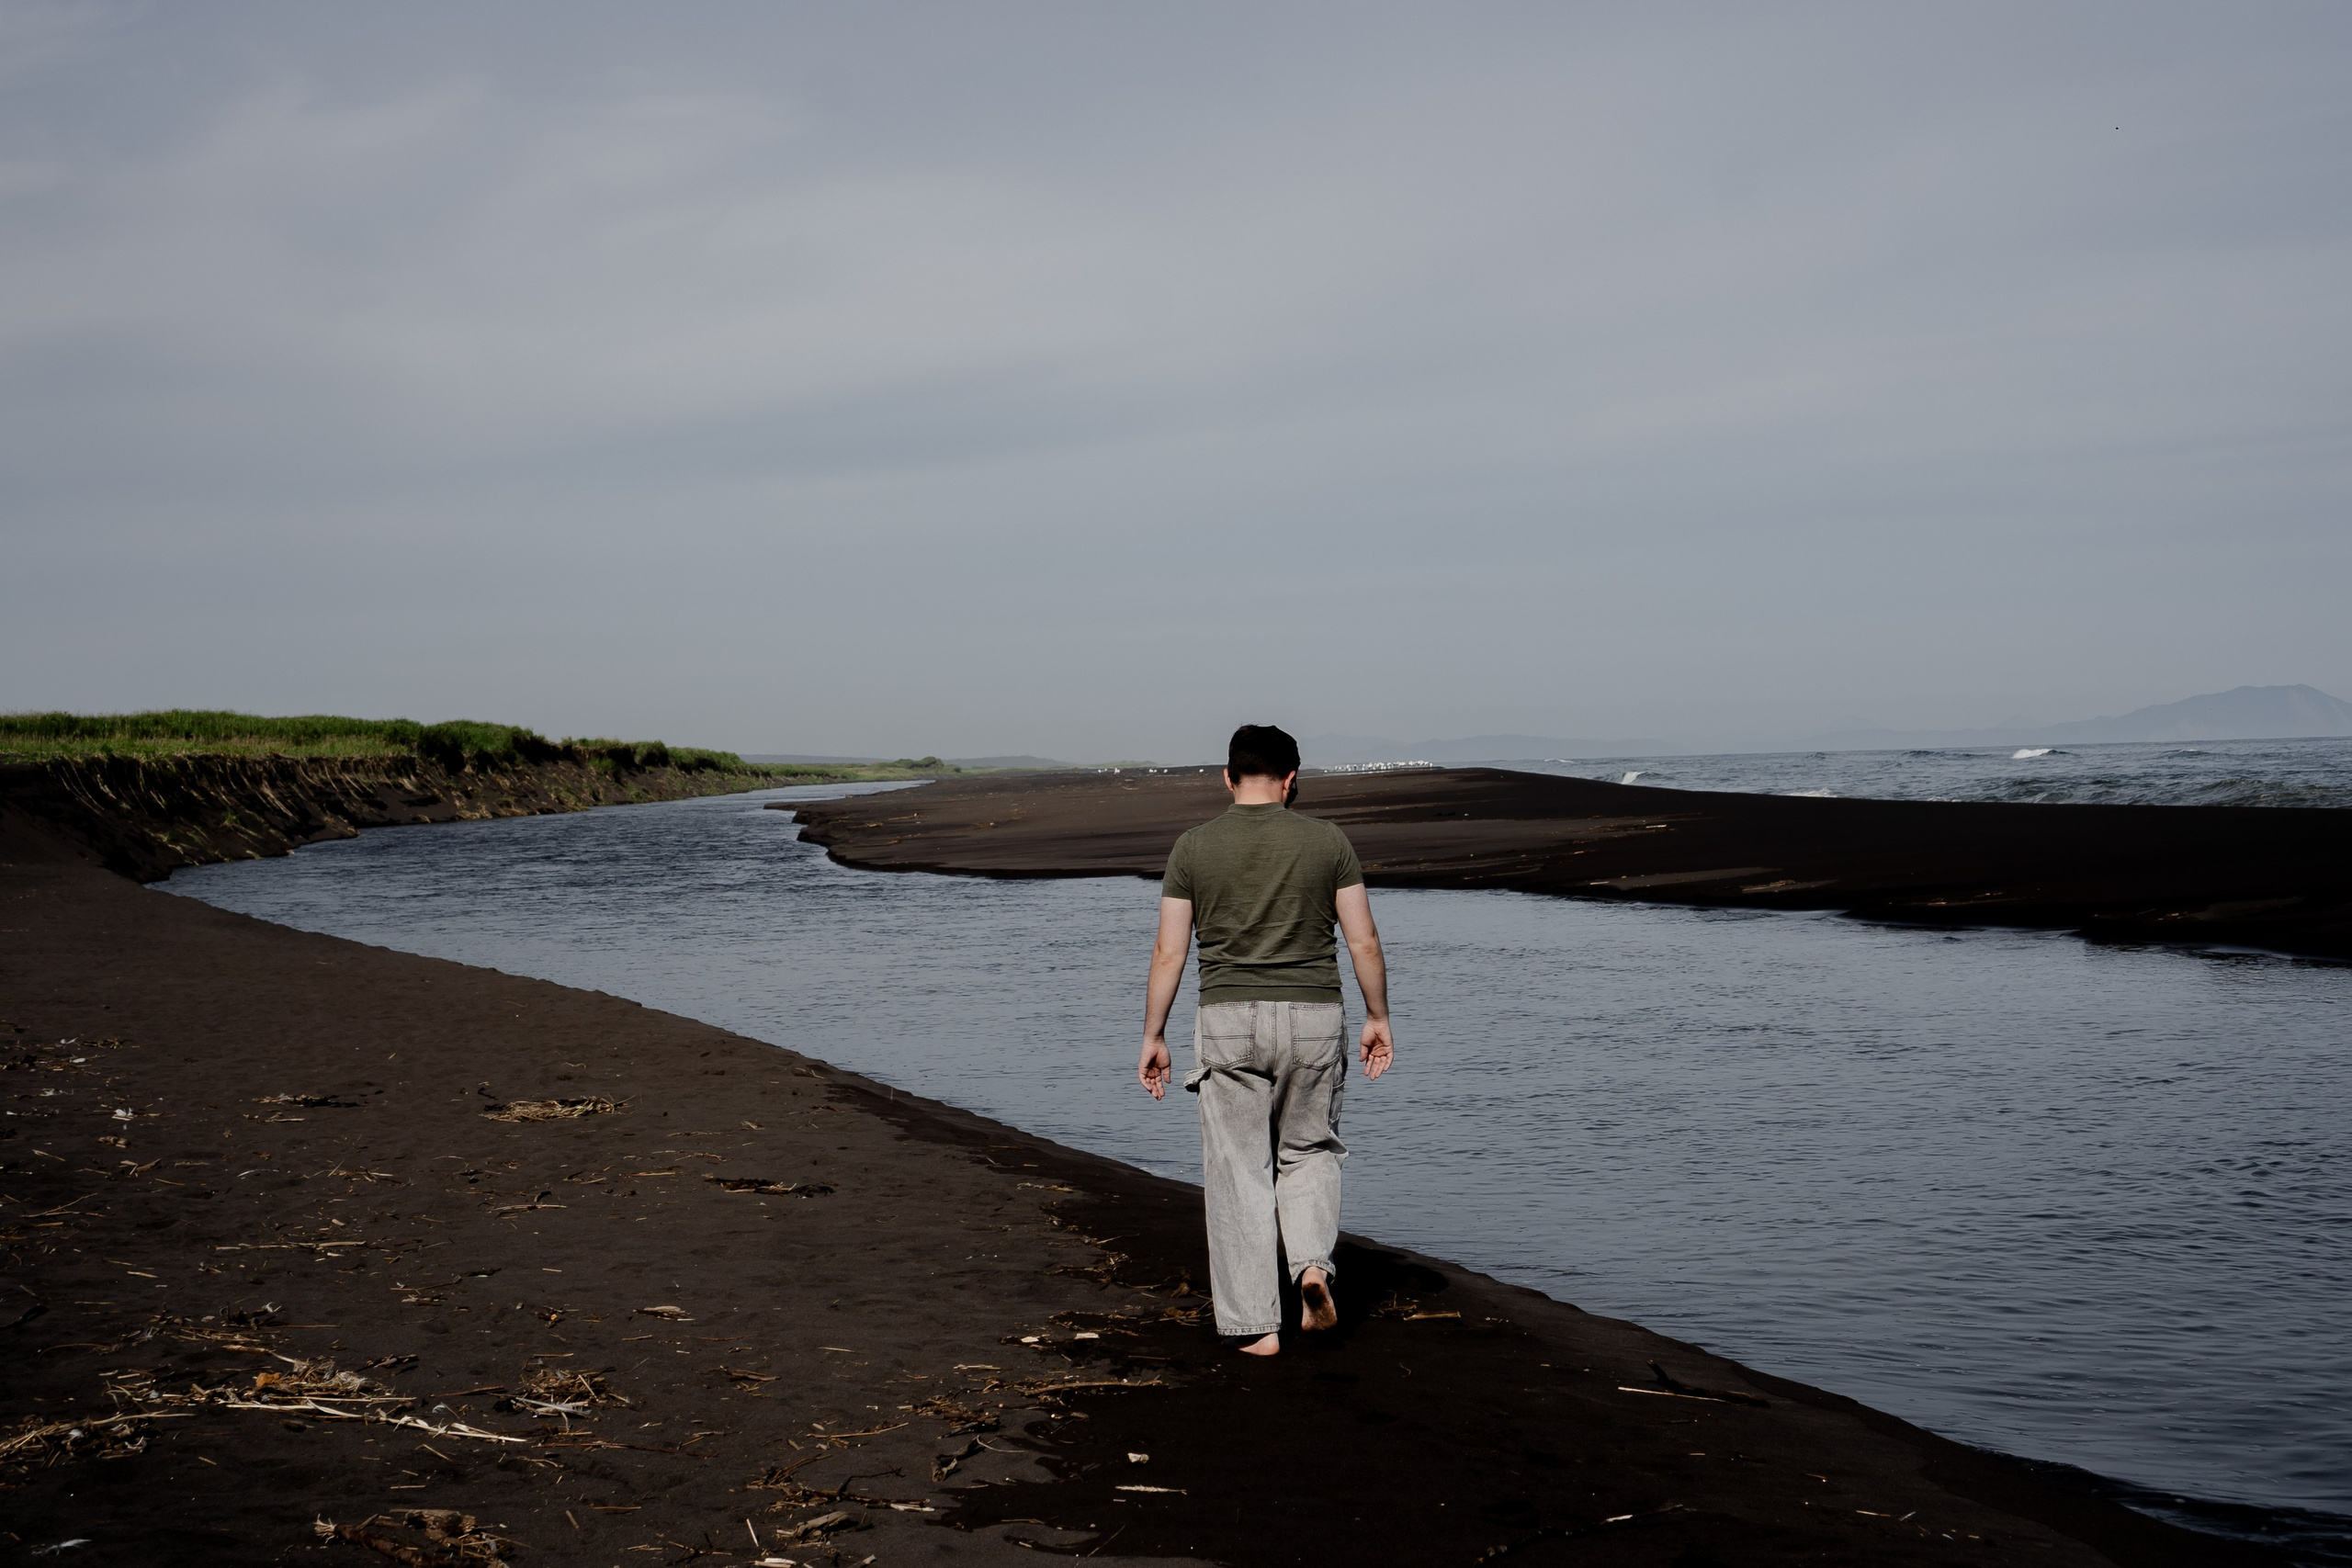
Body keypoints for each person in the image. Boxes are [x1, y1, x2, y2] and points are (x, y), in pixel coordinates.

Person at [1136, 723, 1394, 1356]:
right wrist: (1378, 1016)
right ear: (1291, 779)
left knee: (1238, 1168)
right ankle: (1311, 1268)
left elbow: (1170, 950)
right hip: (1314, 1016)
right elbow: (1362, 939)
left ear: (1227, 777)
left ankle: (1257, 1325)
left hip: (1227, 1016)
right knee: (1310, 1149)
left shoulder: (1193, 847)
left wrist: (1154, 1033)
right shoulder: (1328, 841)